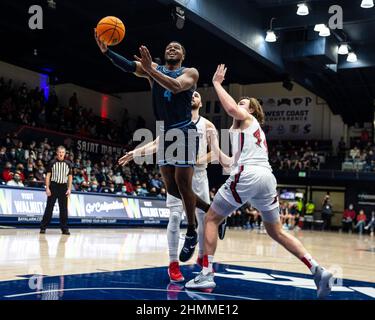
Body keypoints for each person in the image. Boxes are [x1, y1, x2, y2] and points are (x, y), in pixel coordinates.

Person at [185, 64, 334, 299]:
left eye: (244, 103)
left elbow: (233, 109)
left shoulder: (247, 119)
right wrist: (214, 144)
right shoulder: (243, 134)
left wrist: (216, 84)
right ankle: (317, 270)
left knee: (212, 218)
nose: (239, 105)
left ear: (252, 111)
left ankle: (206, 273)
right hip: (265, 178)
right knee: (276, 231)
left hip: (250, 174)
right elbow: (228, 164)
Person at [96, 33, 210, 262]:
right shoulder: (153, 68)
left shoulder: (190, 72)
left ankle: (191, 231)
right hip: (165, 132)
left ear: (183, 55)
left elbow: (177, 87)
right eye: (169, 46)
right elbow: (129, 66)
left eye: (177, 47)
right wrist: (108, 53)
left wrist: (150, 70)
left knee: (183, 184)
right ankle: (211, 210)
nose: (172, 49)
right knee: (172, 189)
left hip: (184, 130)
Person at [119, 91, 225, 283]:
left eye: (197, 95)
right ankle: (173, 263)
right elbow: (156, 144)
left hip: (199, 175)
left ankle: (201, 256)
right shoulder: (173, 123)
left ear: (201, 103)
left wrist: (195, 160)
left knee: (204, 218)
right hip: (178, 175)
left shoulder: (208, 125)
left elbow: (216, 154)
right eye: (190, 95)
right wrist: (135, 153)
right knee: (175, 216)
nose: (193, 96)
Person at [40, 146, 72, 235]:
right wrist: (47, 188)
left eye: (63, 152)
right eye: (60, 152)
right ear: (57, 153)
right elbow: (48, 176)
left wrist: (69, 189)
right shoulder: (52, 163)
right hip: (53, 186)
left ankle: (64, 228)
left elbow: (70, 177)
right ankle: (43, 227)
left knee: (64, 209)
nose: (61, 153)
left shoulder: (68, 164)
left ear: (65, 153)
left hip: (63, 188)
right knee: (49, 208)